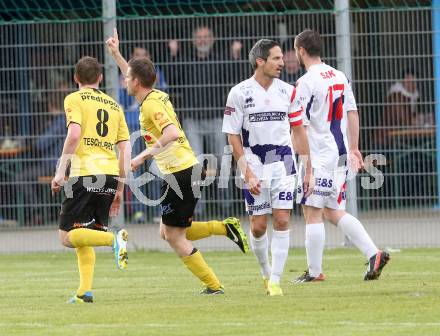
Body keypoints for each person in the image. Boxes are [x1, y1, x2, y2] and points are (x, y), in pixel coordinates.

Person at [106, 28, 249, 295]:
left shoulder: (151, 104)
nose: (125, 80)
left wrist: (142, 155)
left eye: (128, 77)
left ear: (136, 82)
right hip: (183, 170)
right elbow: (133, 72)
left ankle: (213, 285)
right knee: (168, 232)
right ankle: (224, 227)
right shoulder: (152, 94)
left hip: (180, 173)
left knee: (173, 236)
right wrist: (116, 53)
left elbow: (171, 133)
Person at [290, 29, 390, 283]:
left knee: (312, 210)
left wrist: (305, 163)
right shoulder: (339, 76)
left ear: (301, 50)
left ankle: (314, 273)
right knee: (334, 211)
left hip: (319, 155)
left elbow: (297, 125)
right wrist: (355, 149)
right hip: (341, 153)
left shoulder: (305, 82)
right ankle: (373, 253)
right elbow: (352, 113)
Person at [222, 39, 313, 296]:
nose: (282, 63)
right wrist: (247, 172)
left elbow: (298, 131)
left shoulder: (289, 91)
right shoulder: (239, 92)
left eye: (282, 58)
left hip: (283, 161)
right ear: (260, 61)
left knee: (282, 219)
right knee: (258, 226)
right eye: (276, 58)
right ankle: (265, 272)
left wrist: (308, 168)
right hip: (253, 162)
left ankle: (275, 280)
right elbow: (232, 136)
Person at [51, 56, 131, 303]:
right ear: (100, 78)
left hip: (84, 173)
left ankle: (113, 240)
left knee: (66, 236)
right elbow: (126, 148)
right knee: (84, 233)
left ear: (76, 78)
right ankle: (84, 291)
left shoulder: (73, 99)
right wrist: (119, 187)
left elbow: (74, 134)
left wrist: (60, 170)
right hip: (107, 175)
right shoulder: (114, 105)